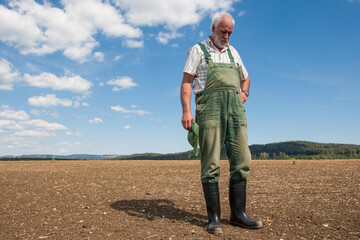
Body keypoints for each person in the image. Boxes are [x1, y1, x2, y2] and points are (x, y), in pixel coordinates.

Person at [180, 12, 262, 234]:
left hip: (235, 112)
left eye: (230, 33)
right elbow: (187, 82)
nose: (227, 36)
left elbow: (246, 76)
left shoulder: (233, 53)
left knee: (242, 159)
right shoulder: (198, 50)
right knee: (211, 164)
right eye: (223, 31)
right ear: (213, 29)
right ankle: (214, 218)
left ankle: (238, 214)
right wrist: (187, 111)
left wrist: (244, 92)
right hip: (210, 111)